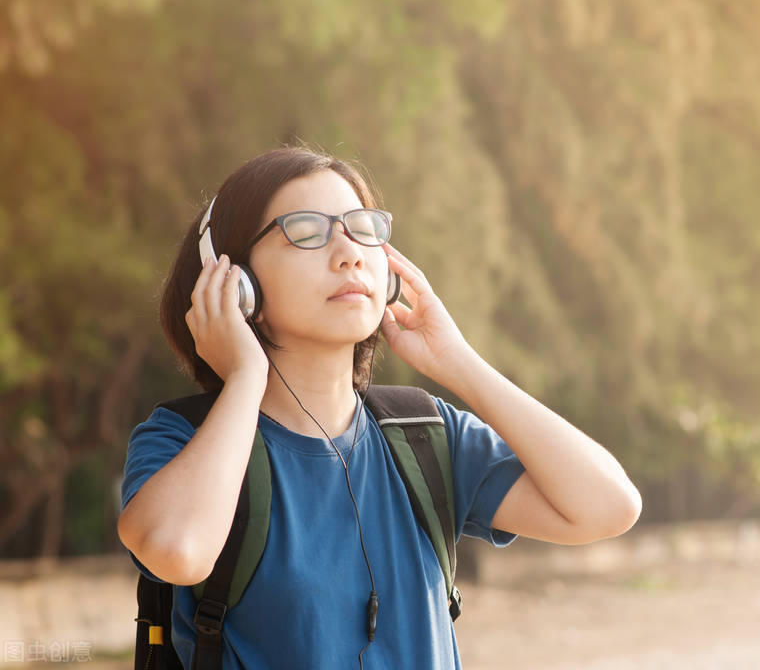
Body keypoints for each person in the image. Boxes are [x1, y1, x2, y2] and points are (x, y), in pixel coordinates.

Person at [117, 145, 642, 669]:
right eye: (305, 230)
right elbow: (176, 551)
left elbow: (609, 506)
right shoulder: (181, 439)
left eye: (361, 227)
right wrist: (245, 377)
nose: (348, 252)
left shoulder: (424, 438)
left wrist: (459, 364)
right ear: (234, 282)